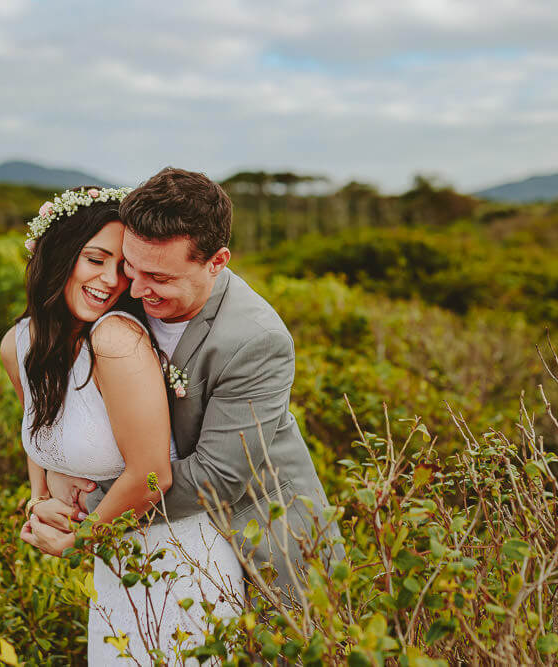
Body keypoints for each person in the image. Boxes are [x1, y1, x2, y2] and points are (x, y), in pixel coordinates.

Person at [47, 167, 344, 603]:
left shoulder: (256, 340)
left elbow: (217, 477)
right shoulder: (122, 291)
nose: (137, 289)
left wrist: (93, 507)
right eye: (131, 266)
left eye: (160, 278)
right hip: (151, 541)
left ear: (217, 262)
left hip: (263, 541)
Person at [0, 186, 242, 665]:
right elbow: (41, 434)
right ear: (59, 255)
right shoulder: (19, 344)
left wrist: (76, 542)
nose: (112, 281)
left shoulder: (116, 340)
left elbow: (152, 475)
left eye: (124, 266)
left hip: (178, 560)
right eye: (95, 260)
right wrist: (40, 500)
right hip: (114, 562)